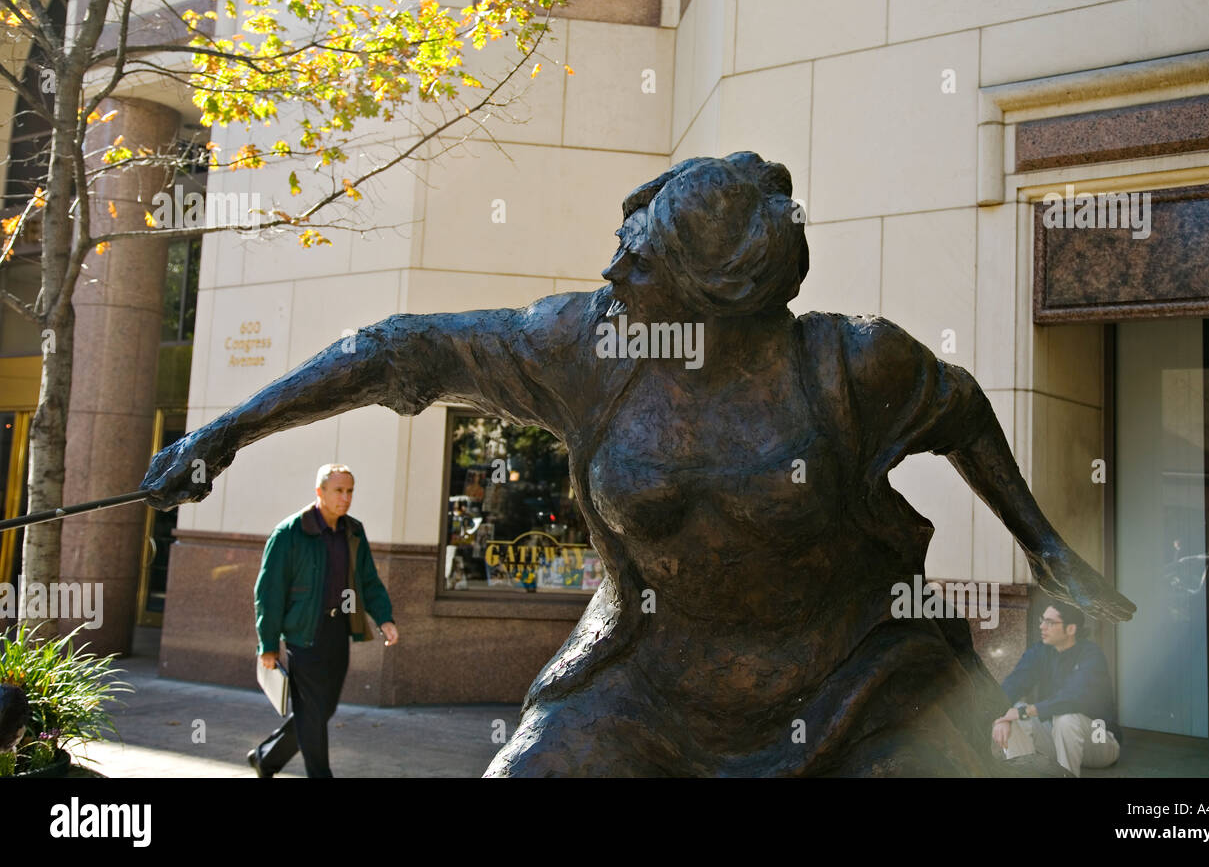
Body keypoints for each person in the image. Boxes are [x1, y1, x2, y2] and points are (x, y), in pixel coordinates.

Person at [143, 152, 1133, 776]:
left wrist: (1046, 545)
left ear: (725, 292)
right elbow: (402, 348)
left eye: (645, 261)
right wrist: (219, 433)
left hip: (848, 676)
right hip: (647, 680)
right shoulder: (589, 343)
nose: (615, 272)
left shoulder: (850, 362)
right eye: (623, 246)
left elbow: (960, 413)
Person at [247, 464, 398, 778]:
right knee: (313, 710)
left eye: (350, 491)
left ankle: (267, 758)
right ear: (320, 492)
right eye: (338, 491)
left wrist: (384, 618)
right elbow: (269, 592)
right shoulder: (289, 533)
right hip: (304, 632)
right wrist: (269, 643)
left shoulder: (353, 531)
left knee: (319, 710)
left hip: (339, 629)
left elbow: (368, 580)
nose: (345, 498)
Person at [991, 602, 1122, 776]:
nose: (1042, 626)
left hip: (1099, 741)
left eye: (1050, 623)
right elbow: (1014, 684)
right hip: (1056, 740)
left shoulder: (1091, 655)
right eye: (1042, 620)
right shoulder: (1040, 651)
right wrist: (1002, 716)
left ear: (1071, 629)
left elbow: (1072, 698)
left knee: (1066, 718)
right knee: (1012, 713)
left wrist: (1024, 712)